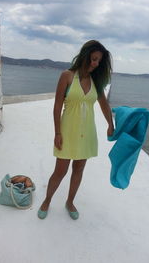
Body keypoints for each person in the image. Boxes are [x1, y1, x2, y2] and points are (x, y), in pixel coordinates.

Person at [38, 40, 114, 220]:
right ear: (85, 55)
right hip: (67, 131)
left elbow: (104, 105)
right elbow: (57, 106)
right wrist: (57, 132)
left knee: (79, 169)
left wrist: (111, 124)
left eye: (98, 61)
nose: (95, 64)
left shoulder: (97, 81)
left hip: (87, 132)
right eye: (94, 59)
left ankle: (70, 202)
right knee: (60, 171)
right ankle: (47, 200)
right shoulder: (67, 76)